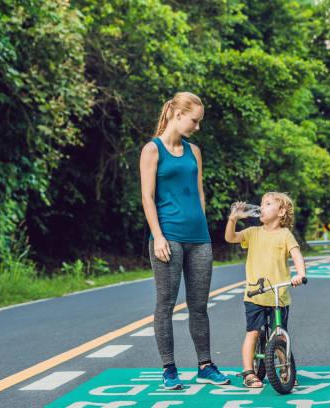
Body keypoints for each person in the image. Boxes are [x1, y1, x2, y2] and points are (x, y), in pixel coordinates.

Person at [140, 92, 229, 390]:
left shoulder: (195, 151)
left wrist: (201, 224)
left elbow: (199, 191)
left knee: (199, 305)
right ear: (178, 115)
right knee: (165, 304)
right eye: (195, 120)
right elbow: (147, 197)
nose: (197, 127)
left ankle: (205, 365)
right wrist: (158, 237)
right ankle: (169, 369)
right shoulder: (152, 150)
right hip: (169, 237)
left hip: (199, 238)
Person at [225, 192, 307, 388]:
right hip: (255, 294)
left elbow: (297, 255)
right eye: (261, 203)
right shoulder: (253, 232)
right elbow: (230, 237)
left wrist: (300, 274)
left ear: (281, 212)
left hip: (279, 296)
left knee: (278, 335)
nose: (262, 206)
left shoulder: (285, 235)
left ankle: (285, 367)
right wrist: (233, 218)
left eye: (268, 204)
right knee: (252, 333)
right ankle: (249, 372)